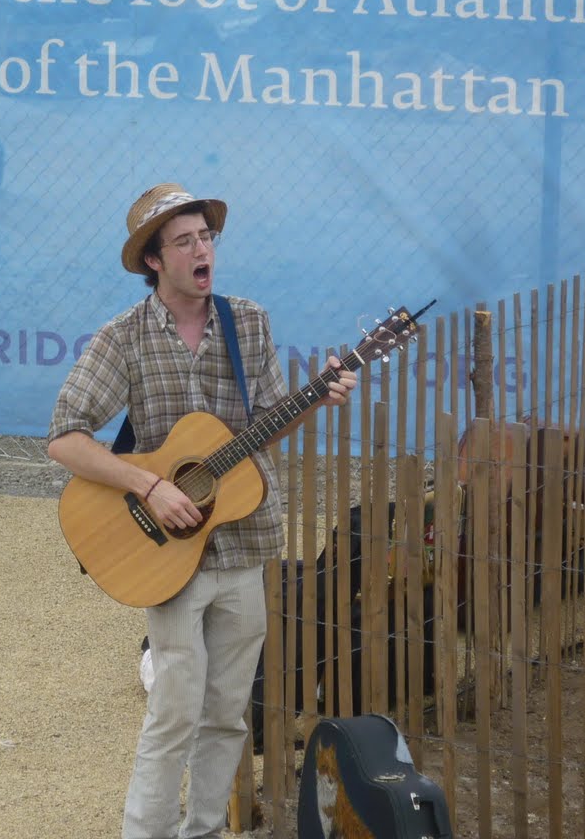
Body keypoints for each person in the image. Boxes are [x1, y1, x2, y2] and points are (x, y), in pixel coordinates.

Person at [46, 183, 357, 839]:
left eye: (206, 237)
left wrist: (315, 398)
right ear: (154, 261)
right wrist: (148, 486)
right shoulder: (124, 338)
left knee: (226, 717)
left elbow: (264, 424)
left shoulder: (248, 322)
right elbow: (65, 437)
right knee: (173, 714)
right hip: (168, 559)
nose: (201, 249)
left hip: (243, 544)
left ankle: (206, 831)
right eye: (184, 241)